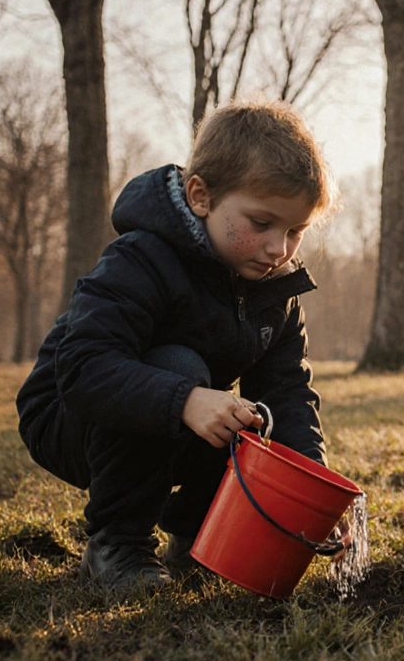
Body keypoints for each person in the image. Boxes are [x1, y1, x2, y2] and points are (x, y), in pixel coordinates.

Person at [17, 99, 339, 590]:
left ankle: (198, 538)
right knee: (179, 366)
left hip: (172, 413)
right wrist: (186, 400)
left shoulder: (276, 290)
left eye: (295, 231)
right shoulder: (140, 258)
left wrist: (312, 487)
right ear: (200, 196)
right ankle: (118, 544)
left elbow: (288, 392)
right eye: (261, 224)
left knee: (253, 417)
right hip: (70, 416)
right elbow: (83, 367)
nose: (280, 249)